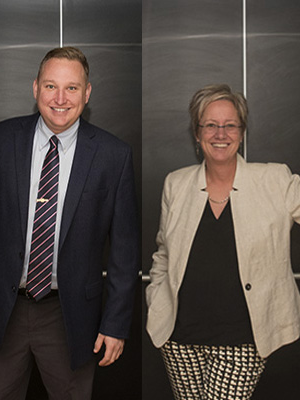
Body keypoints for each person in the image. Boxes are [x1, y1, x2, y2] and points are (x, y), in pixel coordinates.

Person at [0, 46, 139, 399]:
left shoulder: (113, 155)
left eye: (72, 88)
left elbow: (124, 252)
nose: (60, 98)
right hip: (1, 310)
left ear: (87, 93)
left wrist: (116, 324)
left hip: (71, 316)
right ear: (35, 88)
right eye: (50, 86)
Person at [146, 84, 300, 399]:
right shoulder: (176, 184)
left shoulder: (275, 180)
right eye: (211, 125)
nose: (221, 133)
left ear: (241, 132)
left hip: (245, 340)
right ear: (197, 132)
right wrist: (155, 300)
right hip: (178, 339)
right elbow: (163, 253)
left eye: (230, 125)